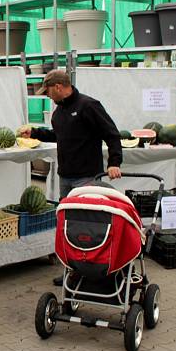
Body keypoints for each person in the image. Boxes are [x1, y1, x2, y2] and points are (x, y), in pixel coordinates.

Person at [18, 69, 123, 286]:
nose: (46, 95)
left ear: (58, 87)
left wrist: (114, 162)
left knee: (86, 226)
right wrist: (36, 132)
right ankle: (71, 272)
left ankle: (91, 271)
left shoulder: (88, 106)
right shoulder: (58, 113)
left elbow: (111, 133)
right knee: (67, 227)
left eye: (47, 91)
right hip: (65, 178)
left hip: (87, 177)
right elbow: (59, 136)